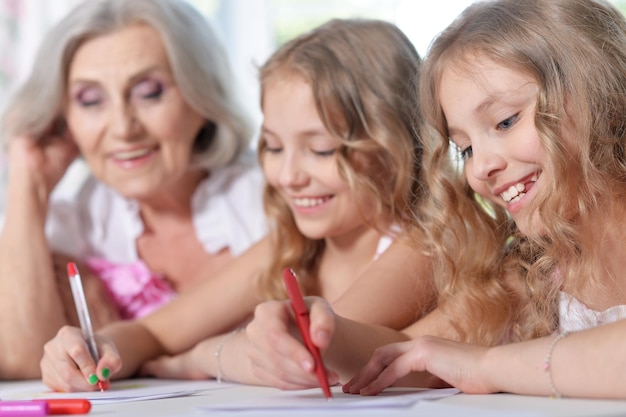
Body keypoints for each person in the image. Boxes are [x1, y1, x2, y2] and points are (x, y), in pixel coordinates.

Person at [233, 0, 626, 400]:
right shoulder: (538, 272)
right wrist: (326, 333)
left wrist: (487, 367)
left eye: (507, 121)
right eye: (466, 148)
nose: (481, 168)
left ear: (598, 89)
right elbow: (415, 355)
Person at [39, 18, 436, 392]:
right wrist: (90, 349)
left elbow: (309, 352)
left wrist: (197, 356)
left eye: (320, 149)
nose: (287, 175)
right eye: (274, 147)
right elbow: (156, 332)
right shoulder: (294, 243)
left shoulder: (423, 246)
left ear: (394, 147)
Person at [0, 0, 268, 379]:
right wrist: (27, 181)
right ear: (64, 119)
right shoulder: (74, 227)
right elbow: (25, 364)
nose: (123, 127)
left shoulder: (270, 200)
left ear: (201, 97)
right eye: (90, 100)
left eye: (149, 92)